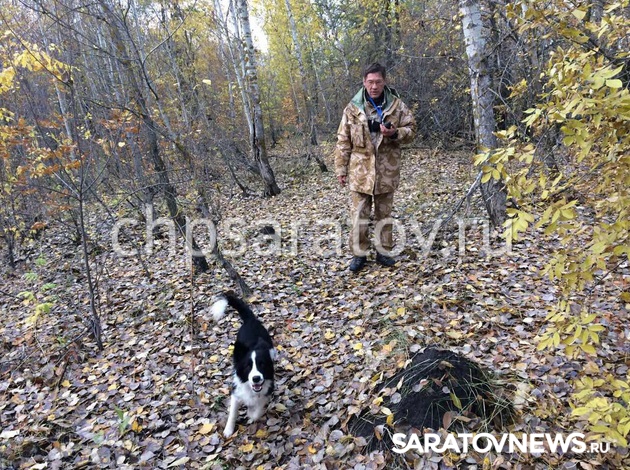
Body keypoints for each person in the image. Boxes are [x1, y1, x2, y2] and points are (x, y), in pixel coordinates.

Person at [335, 62, 416, 273]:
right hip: (360, 172)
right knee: (358, 216)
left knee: (384, 215)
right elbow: (343, 140)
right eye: (370, 82)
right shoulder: (352, 108)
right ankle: (359, 254)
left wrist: (395, 133)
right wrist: (341, 169)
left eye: (378, 82)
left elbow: (412, 130)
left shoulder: (396, 106)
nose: (374, 86)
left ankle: (383, 252)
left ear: (384, 81)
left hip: (386, 170)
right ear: (364, 82)